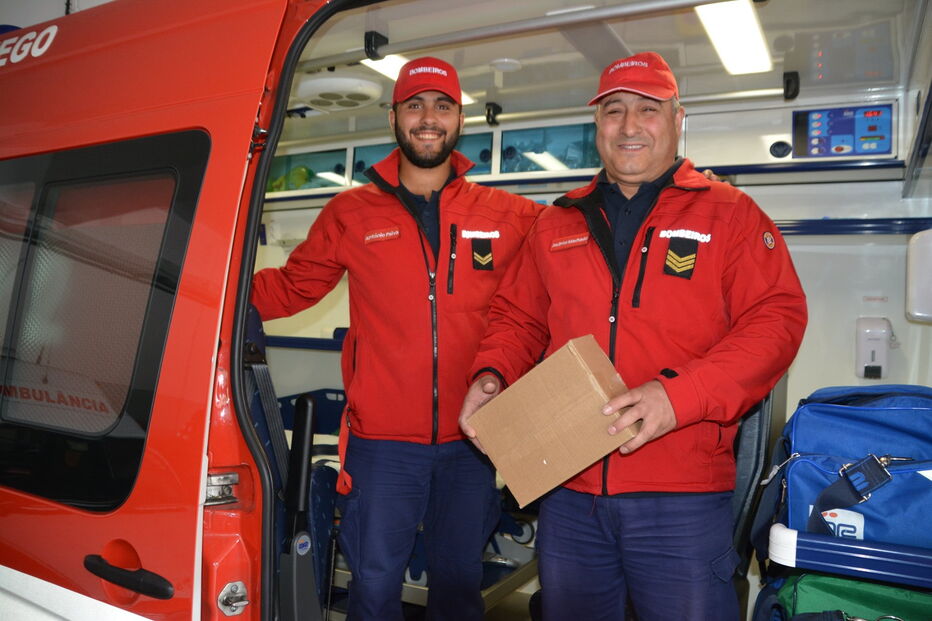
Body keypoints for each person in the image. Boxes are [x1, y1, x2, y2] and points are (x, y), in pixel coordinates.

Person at [459, 51, 807, 621]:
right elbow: (517, 319)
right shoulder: (557, 222)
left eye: (648, 109)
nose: (628, 126)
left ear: (677, 118)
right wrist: (494, 373)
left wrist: (678, 396)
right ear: (596, 126)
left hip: (681, 498)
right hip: (569, 492)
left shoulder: (730, 216)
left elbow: (776, 323)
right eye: (614, 111)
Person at [251, 57, 541, 620]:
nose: (428, 118)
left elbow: (573, 237)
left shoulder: (510, 215)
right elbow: (292, 288)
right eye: (415, 105)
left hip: (473, 440)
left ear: (461, 119)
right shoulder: (350, 213)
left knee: (459, 586)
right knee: (376, 584)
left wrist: (663, 188)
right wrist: (211, 294)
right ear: (394, 118)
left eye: (442, 105)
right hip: (382, 446)